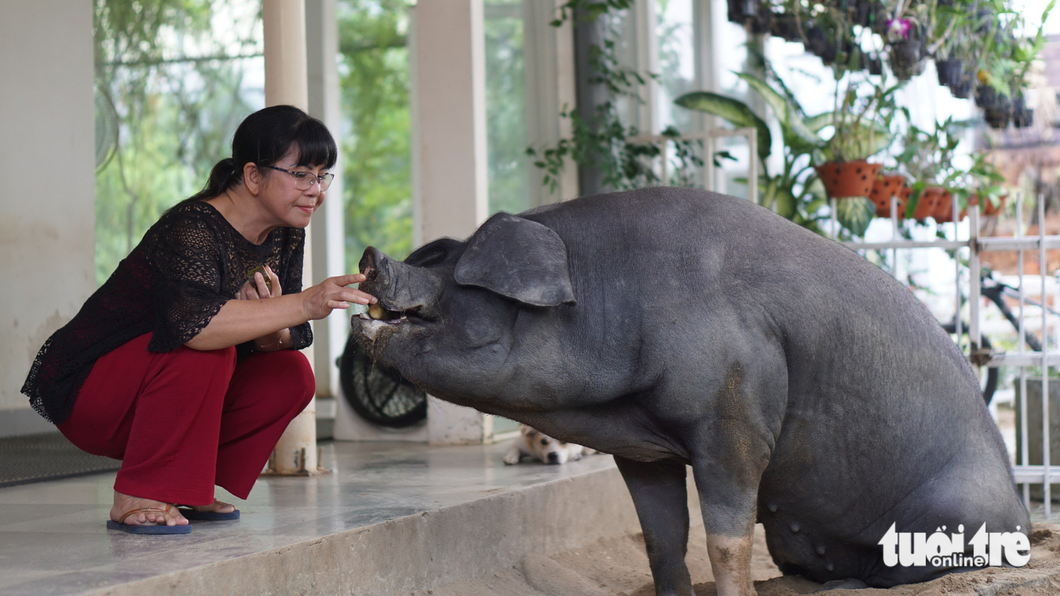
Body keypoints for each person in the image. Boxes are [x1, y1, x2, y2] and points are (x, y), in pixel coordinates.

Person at [21, 105, 377, 534]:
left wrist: (270, 324)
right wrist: (303, 303)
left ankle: (187, 484)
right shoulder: (192, 227)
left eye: (322, 176)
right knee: (205, 347)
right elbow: (196, 327)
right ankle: (138, 493)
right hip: (92, 390)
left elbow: (278, 335)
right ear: (252, 176)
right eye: (301, 174)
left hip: (163, 392)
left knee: (290, 374)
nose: (315, 190)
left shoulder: (285, 232)